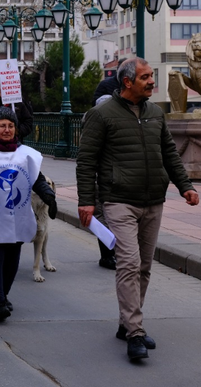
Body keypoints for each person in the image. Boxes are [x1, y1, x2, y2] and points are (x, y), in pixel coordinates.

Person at [76, 57, 199, 361]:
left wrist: (186, 186)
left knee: (143, 266)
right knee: (129, 263)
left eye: (151, 77)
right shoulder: (101, 114)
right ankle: (135, 332)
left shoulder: (156, 113)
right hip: (119, 201)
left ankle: (126, 323)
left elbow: (169, 153)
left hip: (153, 200)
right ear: (128, 82)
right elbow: (86, 160)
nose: (151, 82)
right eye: (146, 77)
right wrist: (86, 200)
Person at [0, 107, 56, 322]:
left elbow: (37, 179)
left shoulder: (26, 154)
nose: (7, 129)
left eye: (11, 126)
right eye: (2, 125)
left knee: (12, 259)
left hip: (18, 216)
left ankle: (4, 295)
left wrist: (49, 196)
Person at [90, 63, 125, 270]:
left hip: (118, 176)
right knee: (103, 214)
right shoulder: (94, 121)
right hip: (101, 176)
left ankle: (115, 252)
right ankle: (107, 253)